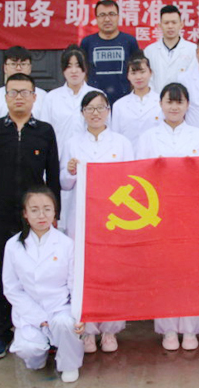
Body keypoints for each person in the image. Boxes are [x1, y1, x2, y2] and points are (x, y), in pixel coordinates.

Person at [0, 72, 61, 360]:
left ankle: (43, 331)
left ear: (34, 97)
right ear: (6, 97)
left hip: (33, 219)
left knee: (37, 278)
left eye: (24, 92)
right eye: (13, 92)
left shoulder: (44, 131)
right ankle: (0, 334)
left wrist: (54, 212)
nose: (19, 97)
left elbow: (53, 175)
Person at [135, 82, 199, 350]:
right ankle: (167, 328)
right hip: (158, 213)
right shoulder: (148, 138)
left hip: (191, 212)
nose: (174, 107)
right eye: (169, 101)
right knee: (165, 270)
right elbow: (139, 176)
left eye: (179, 102)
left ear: (188, 105)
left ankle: (190, 329)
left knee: (191, 270)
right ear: (161, 104)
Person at [61, 90, 134, 353]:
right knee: (84, 274)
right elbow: (64, 183)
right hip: (82, 218)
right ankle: (88, 330)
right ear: (82, 113)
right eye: (89, 108)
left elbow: (132, 179)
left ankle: (111, 329)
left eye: (100, 107)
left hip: (113, 218)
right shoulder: (72, 142)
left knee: (111, 272)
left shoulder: (122, 143)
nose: (95, 113)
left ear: (108, 111)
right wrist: (70, 171)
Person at [2, 187, 84, 383]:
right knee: (28, 349)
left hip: (59, 307)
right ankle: (38, 357)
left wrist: (79, 315)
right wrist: (38, 317)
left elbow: (74, 285)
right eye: (34, 210)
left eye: (47, 209)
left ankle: (69, 364)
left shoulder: (66, 244)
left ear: (55, 212)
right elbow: (12, 288)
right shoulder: (13, 245)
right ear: (25, 213)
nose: (41, 215)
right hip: (30, 310)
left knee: (65, 324)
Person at [42, 45, 102, 232]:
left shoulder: (97, 96)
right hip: (59, 161)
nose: (74, 71)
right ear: (63, 70)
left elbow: (105, 130)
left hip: (88, 162)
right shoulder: (52, 98)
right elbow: (45, 134)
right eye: (69, 66)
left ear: (86, 68)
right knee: (61, 216)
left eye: (78, 65)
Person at [80, 0, 140, 105]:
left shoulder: (129, 41)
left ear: (118, 17)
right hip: (95, 103)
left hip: (125, 101)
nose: (107, 19)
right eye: (102, 15)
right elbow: (82, 72)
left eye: (111, 14)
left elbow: (137, 71)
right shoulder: (87, 43)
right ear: (96, 18)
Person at [0, 46, 47, 134]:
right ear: (5, 68)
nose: (18, 68)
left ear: (30, 68)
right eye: (13, 64)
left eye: (23, 64)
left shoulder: (43, 96)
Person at [110, 53, 163, 146]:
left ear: (150, 73)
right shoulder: (119, 105)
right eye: (133, 73)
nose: (138, 77)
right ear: (128, 76)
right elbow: (115, 137)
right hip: (128, 153)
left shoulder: (161, 102)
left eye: (142, 72)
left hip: (155, 153)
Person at [144, 5, 196, 92]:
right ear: (160, 25)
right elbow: (148, 81)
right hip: (156, 99)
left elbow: (194, 80)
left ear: (181, 24)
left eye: (174, 22)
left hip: (184, 99)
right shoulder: (149, 51)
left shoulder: (193, 50)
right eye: (166, 23)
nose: (170, 26)